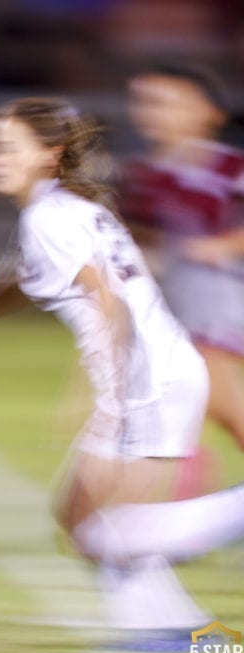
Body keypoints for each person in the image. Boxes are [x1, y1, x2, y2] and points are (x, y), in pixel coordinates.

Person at [0, 97, 244, 641]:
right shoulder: (61, 211)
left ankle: (229, 523)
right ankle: (182, 634)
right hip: (159, 372)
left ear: (49, 155)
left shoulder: (50, 218)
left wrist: (92, 396)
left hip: (146, 380)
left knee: (98, 530)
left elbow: (106, 300)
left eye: (5, 147)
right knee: (82, 523)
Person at [122, 63, 244, 462]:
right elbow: (141, 236)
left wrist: (222, 245)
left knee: (217, 401)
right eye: (144, 102)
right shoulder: (145, 177)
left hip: (223, 298)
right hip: (181, 302)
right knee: (192, 403)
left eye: (164, 103)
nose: (151, 112)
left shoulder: (231, 167)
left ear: (209, 112)